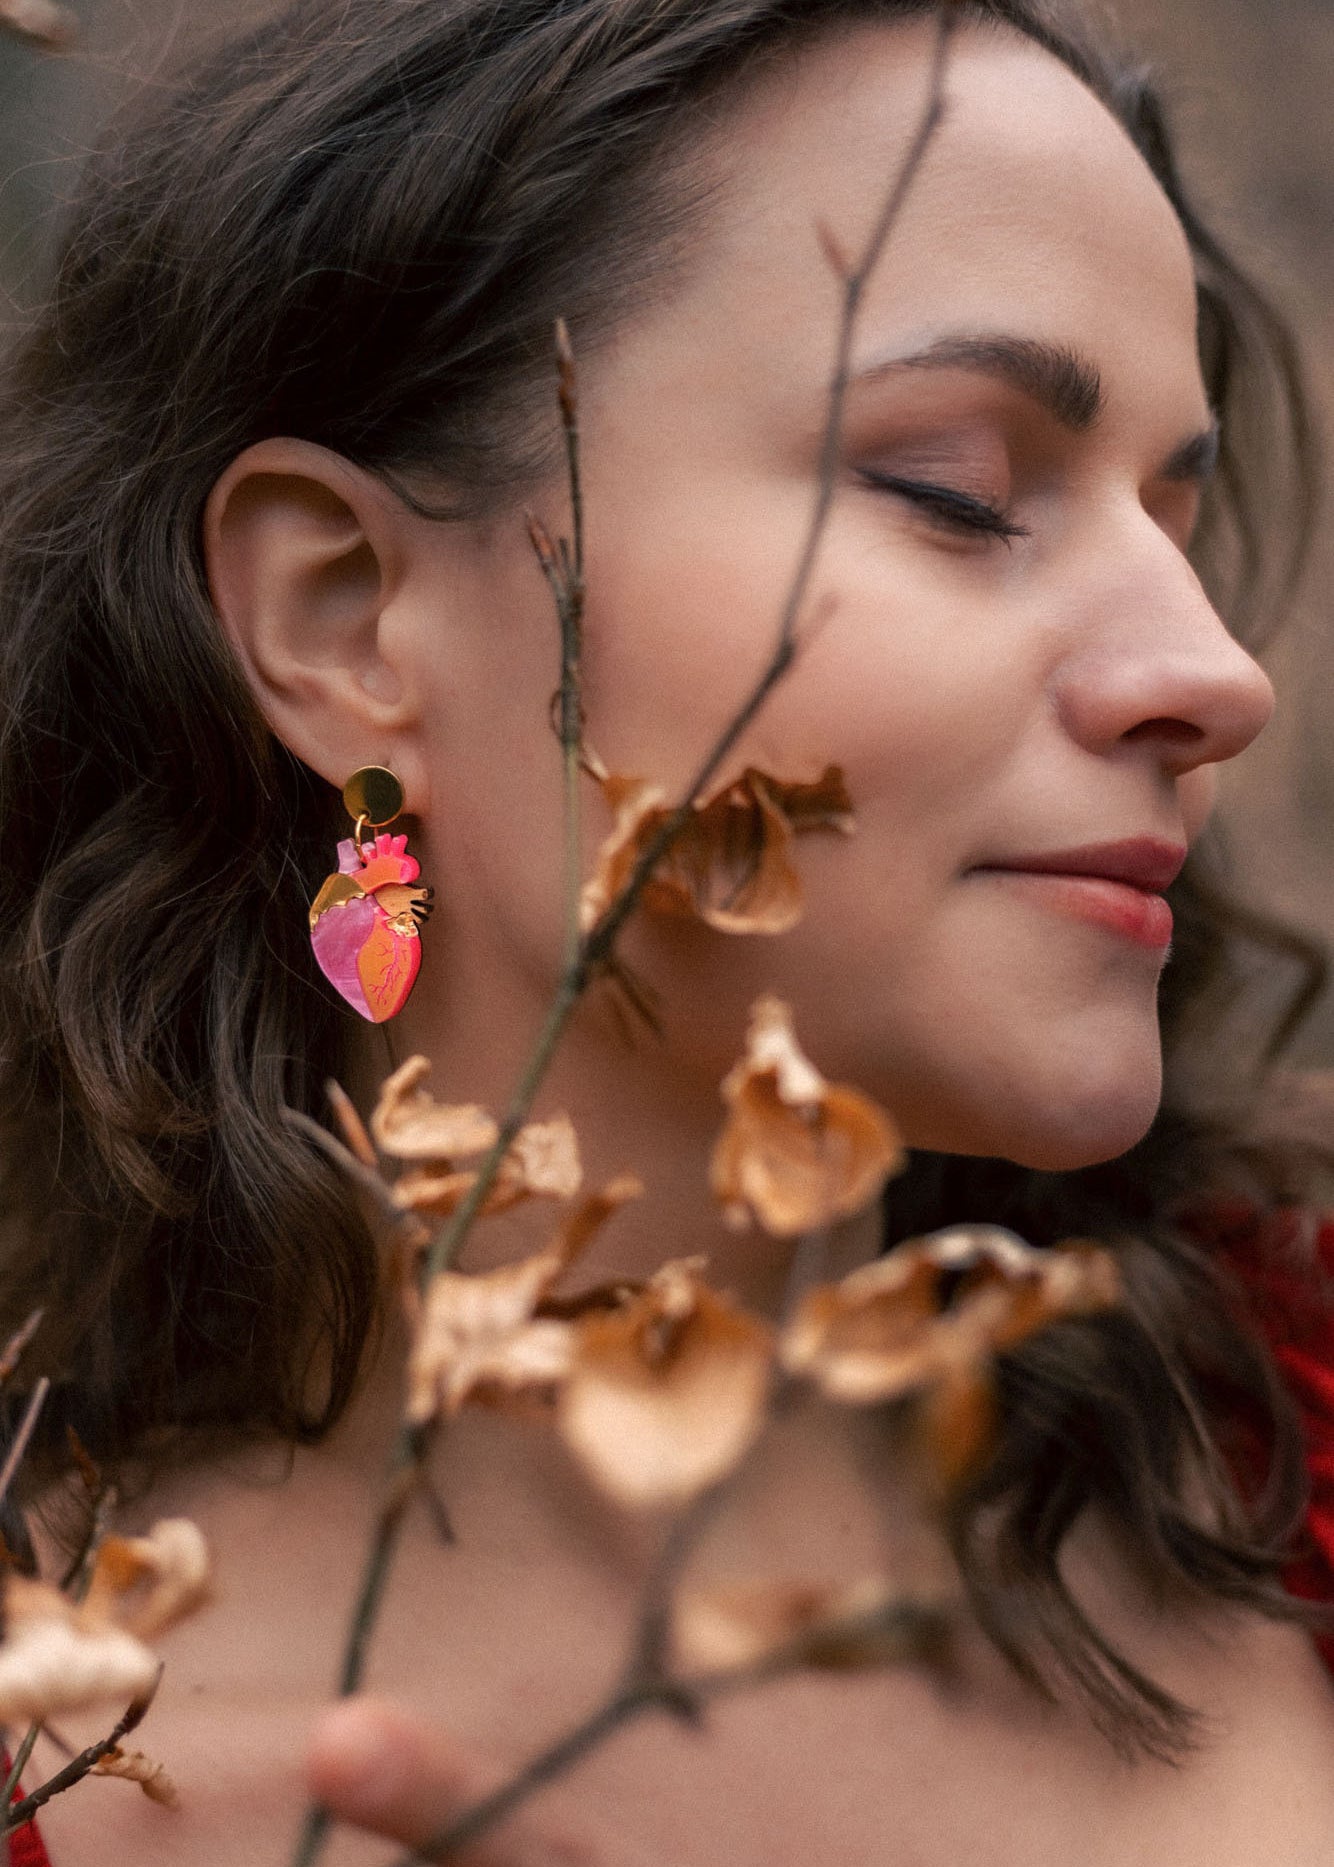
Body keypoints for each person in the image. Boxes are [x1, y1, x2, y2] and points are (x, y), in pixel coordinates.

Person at [0, 0, 1331, 1861]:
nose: (1213, 673)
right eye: (957, 488)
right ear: (346, 614)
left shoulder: (1298, 1452)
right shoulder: (69, 1752)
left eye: (1176, 522)